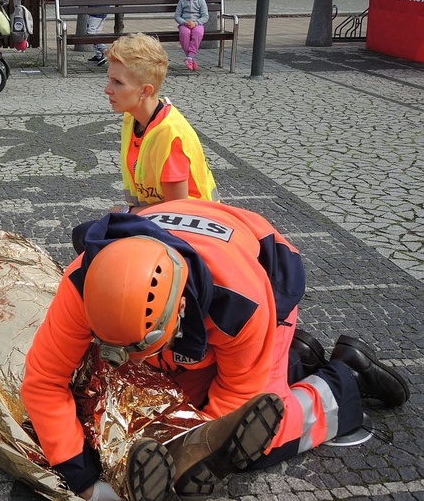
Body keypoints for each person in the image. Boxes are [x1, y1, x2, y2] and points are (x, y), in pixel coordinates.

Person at [22, 199, 410, 501]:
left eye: (144, 349)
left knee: (255, 441)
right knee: (146, 396)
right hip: (206, 279)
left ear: (182, 309)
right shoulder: (84, 282)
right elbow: (44, 380)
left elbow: (235, 408)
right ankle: (295, 359)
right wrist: (84, 481)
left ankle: (345, 382)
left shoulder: (241, 303)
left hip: (267, 277)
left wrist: (191, 452)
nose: (133, 366)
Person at [73, 33, 219, 253]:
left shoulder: (170, 135)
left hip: (192, 236)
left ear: (145, 91)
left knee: (91, 239)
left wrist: (127, 212)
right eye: (109, 79)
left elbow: (176, 211)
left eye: (117, 82)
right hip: (157, 222)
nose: (107, 89)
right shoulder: (133, 118)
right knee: (86, 236)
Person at [175, 0, 209, 71]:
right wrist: (184, 22)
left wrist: (196, 23)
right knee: (184, 33)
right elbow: (177, 16)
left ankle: (189, 57)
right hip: (185, 24)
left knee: (198, 33)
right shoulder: (182, 0)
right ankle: (190, 58)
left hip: (197, 24)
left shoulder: (201, 0)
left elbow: (205, 16)